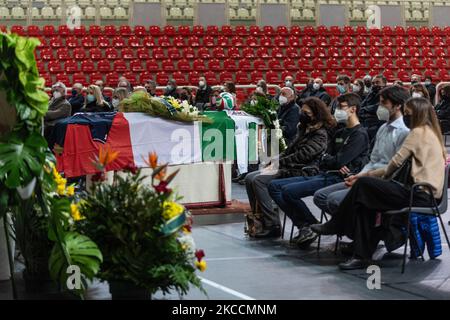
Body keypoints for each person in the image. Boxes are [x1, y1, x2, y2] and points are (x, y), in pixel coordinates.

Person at [311, 97, 446, 270]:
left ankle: (337, 224)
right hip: (424, 194)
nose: (405, 117)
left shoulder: (418, 133)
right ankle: (361, 255)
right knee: (365, 202)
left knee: (364, 185)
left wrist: (363, 176)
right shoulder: (432, 132)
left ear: (417, 115)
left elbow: (394, 164)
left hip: (418, 194)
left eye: (408, 114)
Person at [313, 86, 411, 250]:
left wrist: (363, 179)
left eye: (383, 103)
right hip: (366, 176)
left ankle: (362, 238)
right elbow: (373, 160)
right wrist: (358, 175)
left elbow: (394, 169)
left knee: (334, 200)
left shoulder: (404, 133)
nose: (379, 108)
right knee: (320, 196)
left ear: (398, 105)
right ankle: (360, 235)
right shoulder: (382, 128)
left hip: (381, 182)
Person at [268, 93, 370, 247]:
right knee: (274, 186)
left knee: (288, 191)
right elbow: (327, 157)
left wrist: (330, 160)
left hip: (338, 177)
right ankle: (307, 225)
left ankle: (309, 225)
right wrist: (329, 160)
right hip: (323, 172)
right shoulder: (340, 132)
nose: (337, 111)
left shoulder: (359, 134)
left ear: (353, 109)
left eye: (341, 107)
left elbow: (338, 161)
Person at [245, 97, 333, 238]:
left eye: (306, 112)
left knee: (259, 180)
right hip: (290, 165)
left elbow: (303, 155)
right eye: (302, 111)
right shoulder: (303, 128)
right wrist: (274, 160)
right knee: (249, 178)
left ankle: (272, 224)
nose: (302, 115)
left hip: (304, 169)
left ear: (315, 114)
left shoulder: (321, 133)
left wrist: (278, 163)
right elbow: (290, 149)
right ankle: (259, 218)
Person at [358, 74, 388, 141]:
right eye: (373, 83)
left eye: (377, 82)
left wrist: (365, 109)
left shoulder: (387, 94)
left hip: (379, 124)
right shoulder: (371, 93)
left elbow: (378, 107)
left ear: (384, 83)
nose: (375, 85)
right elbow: (361, 106)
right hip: (366, 124)